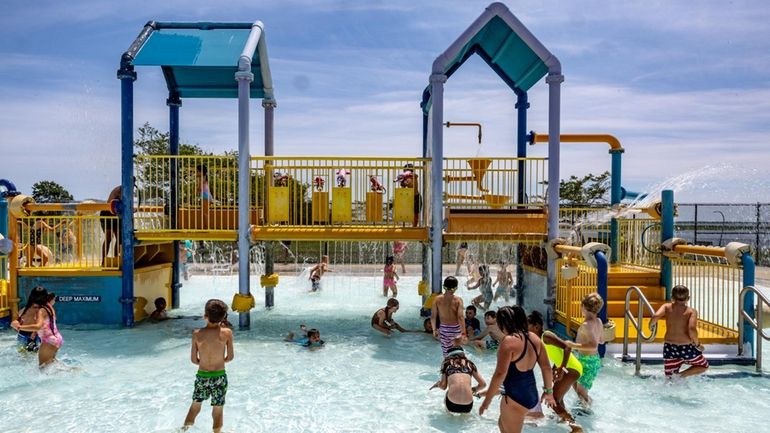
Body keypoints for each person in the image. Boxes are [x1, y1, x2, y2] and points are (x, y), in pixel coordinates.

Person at [479, 306, 556, 433]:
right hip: (531, 396)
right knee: (501, 425)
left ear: (504, 323)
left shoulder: (508, 342)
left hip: (515, 398)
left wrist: (487, 401)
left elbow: (499, 374)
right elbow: (546, 367)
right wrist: (549, 392)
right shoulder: (534, 338)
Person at [183, 299, 234, 433]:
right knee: (218, 409)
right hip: (219, 377)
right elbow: (230, 357)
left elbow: (194, 360)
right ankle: (217, 431)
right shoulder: (227, 333)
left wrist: (204, 362)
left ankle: (184, 429)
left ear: (205, 315)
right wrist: (220, 361)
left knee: (195, 406)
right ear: (224, 317)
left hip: (202, 376)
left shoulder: (196, 334)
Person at [529, 311, 584, 431]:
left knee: (553, 399)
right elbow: (557, 355)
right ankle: (563, 419)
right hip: (569, 367)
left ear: (537, 327)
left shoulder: (546, 336)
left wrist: (562, 368)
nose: (527, 331)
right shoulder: (540, 342)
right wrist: (556, 370)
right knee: (557, 398)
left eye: (528, 327)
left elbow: (567, 347)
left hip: (571, 368)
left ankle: (575, 427)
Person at [650, 285, 709, 378]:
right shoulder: (691, 311)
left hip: (670, 347)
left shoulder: (666, 307)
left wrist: (651, 326)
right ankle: (680, 375)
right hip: (686, 348)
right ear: (688, 298)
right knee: (703, 366)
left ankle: (674, 378)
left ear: (672, 297)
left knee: (669, 378)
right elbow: (692, 329)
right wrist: (698, 345)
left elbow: (655, 316)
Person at [564, 293, 605, 405]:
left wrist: (573, 345)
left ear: (583, 307)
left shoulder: (587, 325)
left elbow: (593, 345)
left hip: (587, 361)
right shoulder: (599, 322)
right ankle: (586, 407)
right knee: (574, 383)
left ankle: (587, 413)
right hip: (593, 360)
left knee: (581, 392)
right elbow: (601, 340)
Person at [11, 287, 63, 367]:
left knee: (42, 367)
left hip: (45, 339)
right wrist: (17, 322)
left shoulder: (41, 310)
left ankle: (75, 372)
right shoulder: (40, 307)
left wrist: (20, 327)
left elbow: (38, 325)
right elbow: (20, 317)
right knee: (49, 363)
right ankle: (74, 371)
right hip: (51, 338)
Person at [430, 343, 487, 414]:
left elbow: (443, 386)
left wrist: (438, 384)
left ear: (449, 356)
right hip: (468, 406)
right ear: (463, 354)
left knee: (448, 392)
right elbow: (483, 384)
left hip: (452, 405)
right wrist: (471, 390)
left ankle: (448, 416)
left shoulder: (447, 363)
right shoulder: (469, 364)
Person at [431, 276, 467, 357]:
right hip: (456, 329)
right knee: (458, 352)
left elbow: (433, 316)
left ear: (444, 286)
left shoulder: (437, 299)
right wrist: (464, 333)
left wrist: (434, 330)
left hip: (444, 329)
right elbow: (460, 317)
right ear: (456, 288)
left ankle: (447, 367)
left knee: (446, 353)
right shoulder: (458, 300)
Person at [14, 286, 46, 353]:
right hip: (33, 335)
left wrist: (18, 325)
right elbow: (38, 322)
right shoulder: (40, 309)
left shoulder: (27, 307)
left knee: (22, 356)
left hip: (22, 334)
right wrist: (34, 332)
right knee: (34, 357)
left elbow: (18, 316)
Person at [101, 185, 122, 265]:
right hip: (109, 212)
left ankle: (116, 259)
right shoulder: (121, 190)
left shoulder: (124, 189)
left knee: (119, 238)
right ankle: (103, 261)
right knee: (109, 238)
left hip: (114, 213)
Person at [197, 165, 213, 229]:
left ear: (201, 172)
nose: (197, 173)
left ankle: (207, 228)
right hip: (206, 195)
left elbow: (200, 188)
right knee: (205, 212)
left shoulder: (202, 177)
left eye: (198, 171)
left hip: (205, 195)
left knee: (205, 213)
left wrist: (197, 189)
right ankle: (206, 227)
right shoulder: (204, 177)